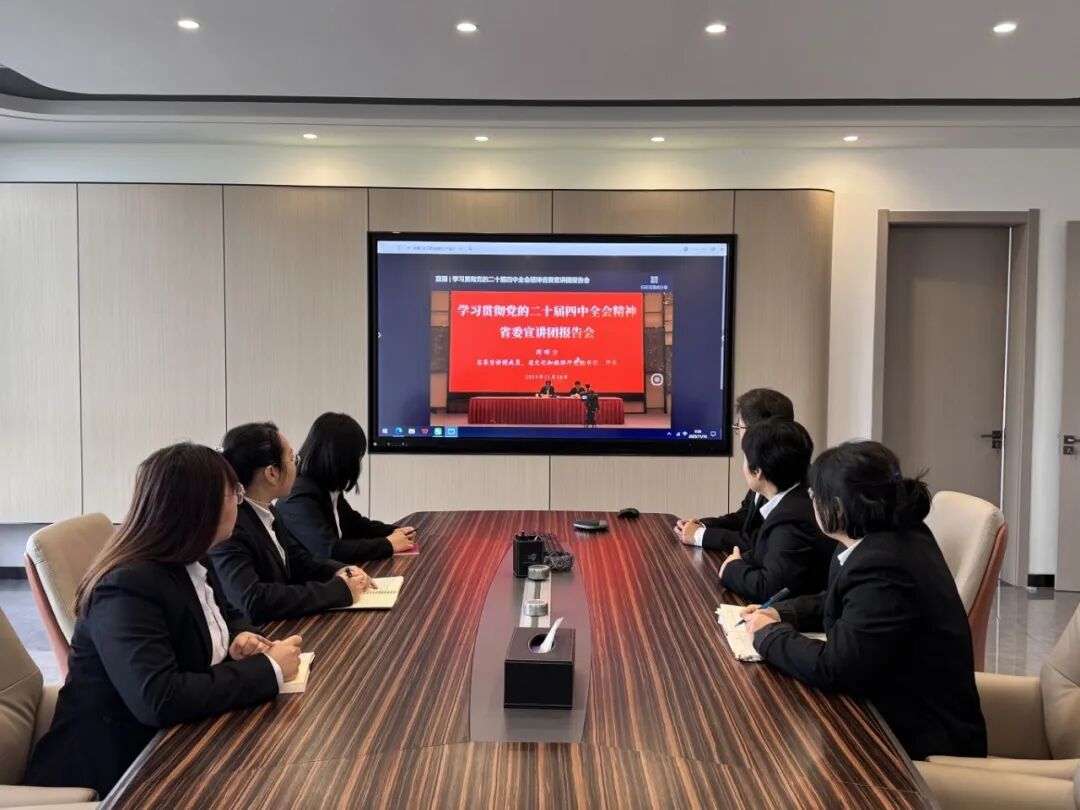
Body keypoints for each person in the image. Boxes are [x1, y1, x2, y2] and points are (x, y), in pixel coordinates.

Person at [25, 443, 303, 798]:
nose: (240, 501)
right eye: (234, 492)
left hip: (178, 747)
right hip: (114, 778)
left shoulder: (191, 557)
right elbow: (159, 697)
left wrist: (240, 638)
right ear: (199, 506)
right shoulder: (124, 587)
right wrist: (268, 669)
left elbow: (229, 614)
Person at [741, 441, 987, 761]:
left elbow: (836, 667)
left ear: (838, 508)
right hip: (893, 709)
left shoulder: (884, 565)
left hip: (916, 743)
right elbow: (844, 602)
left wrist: (767, 635)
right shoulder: (890, 537)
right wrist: (781, 612)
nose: (811, 502)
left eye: (815, 495)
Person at [208, 422, 376, 624]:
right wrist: (336, 590)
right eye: (292, 458)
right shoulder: (230, 525)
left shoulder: (267, 510)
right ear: (272, 473)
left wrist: (340, 570)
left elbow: (298, 560)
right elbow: (253, 601)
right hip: (261, 635)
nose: (297, 464)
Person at [717, 418, 835, 602]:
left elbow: (769, 589)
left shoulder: (792, 521)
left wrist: (732, 569)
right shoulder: (796, 498)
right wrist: (740, 561)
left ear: (758, 471)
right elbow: (763, 554)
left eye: (745, 458)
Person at [277, 412, 416, 564]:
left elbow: (355, 525)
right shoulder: (299, 497)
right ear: (340, 458)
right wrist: (388, 544)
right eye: (356, 457)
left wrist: (394, 531)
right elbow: (331, 551)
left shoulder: (324, 485)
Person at [674, 388, 795, 551]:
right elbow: (744, 518)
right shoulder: (768, 463)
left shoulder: (785, 476)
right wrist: (701, 525)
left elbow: (762, 544)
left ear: (756, 433)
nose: (738, 435)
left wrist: (700, 535)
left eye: (739, 428)